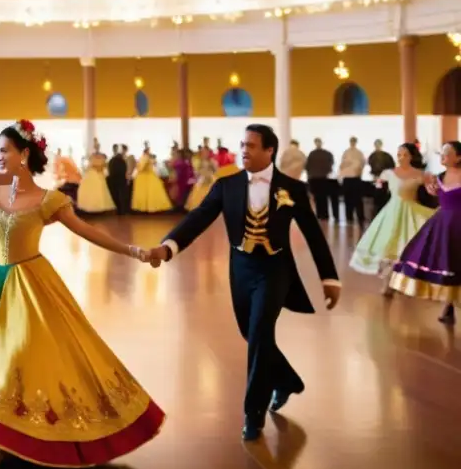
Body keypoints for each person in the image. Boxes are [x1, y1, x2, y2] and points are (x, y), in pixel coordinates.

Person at [0, 119, 164, 468]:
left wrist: (134, 251)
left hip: (30, 285)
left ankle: (7, 437)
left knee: (18, 354)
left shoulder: (49, 199)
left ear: (24, 154)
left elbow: (86, 231)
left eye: (4, 150)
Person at [144, 125, 340, 441]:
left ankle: (253, 414)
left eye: (250, 146)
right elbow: (197, 220)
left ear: (269, 151)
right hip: (241, 268)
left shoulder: (292, 189)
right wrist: (167, 247)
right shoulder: (227, 186)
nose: (243, 151)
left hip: (276, 268)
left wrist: (329, 278)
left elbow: (314, 235)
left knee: (261, 330)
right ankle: (287, 379)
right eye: (242, 145)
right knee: (249, 332)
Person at [388, 141, 461, 324]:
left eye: (447, 153)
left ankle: (449, 307)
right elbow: (435, 198)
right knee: (447, 263)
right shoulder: (439, 177)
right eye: (442, 153)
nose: (442, 157)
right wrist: (432, 192)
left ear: (458, 157)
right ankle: (448, 306)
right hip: (443, 224)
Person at [349, 143, 434, 293]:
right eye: (399, 155)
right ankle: (387, 283)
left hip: (410, 211)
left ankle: (405, 282)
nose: (401, 158)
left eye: (405, 155)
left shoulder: (420, 174)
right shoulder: (388, 173)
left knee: (407, 246)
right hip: (391, 212)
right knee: (388, 246)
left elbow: (431, 193)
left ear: (412, 156)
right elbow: (379, 192)